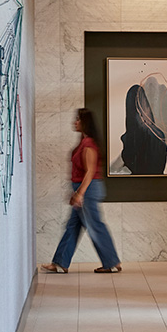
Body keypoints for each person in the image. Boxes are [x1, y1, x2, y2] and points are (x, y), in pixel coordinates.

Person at [41, 108, 123, 274]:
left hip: (89, 189)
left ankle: (112, 262)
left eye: (78, 119)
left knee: (95, 226)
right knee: (73, 225)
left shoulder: (88, 144)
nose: (75, 122)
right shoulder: (83, 142)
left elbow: (90, 172)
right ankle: (60, 263)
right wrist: (76, 191)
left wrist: (80, 193)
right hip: (85, 188)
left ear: (85, 122)